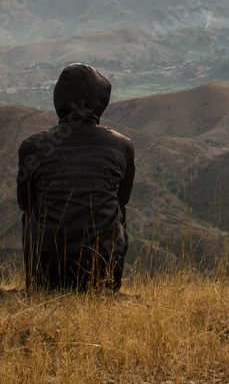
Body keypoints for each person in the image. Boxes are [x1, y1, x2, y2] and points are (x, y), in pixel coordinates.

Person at [17, 63, 135, 292]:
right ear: (101, 100)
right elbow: (122, 201)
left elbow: (27, 203)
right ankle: (106, 285)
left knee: (31, 216)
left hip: (47, 268)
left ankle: (39, 285)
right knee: (117, 213)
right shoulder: (121, 146)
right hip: (101, 267)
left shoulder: (32, 147)